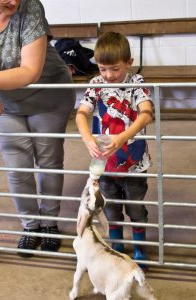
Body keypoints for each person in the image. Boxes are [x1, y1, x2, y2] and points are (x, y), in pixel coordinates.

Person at [0, 0, 75, 256]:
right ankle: (31, 227)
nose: (13, 2)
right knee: (17, 166)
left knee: (49, 160)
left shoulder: (30, 6)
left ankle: (50, 224)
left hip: (47, 95)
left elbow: (30, 70)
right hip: (1, 101)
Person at [76, 32, 153, 270]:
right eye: (102, 69)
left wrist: (123, 137)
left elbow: (146, 113)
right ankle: (116, 247)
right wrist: (87, 138)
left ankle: (140, 248)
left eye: (115, 69)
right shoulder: (96, 85)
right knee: (110, 208)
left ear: (128, 63)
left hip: (134, 163)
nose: (108, 75)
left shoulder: (136, 83)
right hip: (104, 164)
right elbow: (81, 114)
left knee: (135, 208)